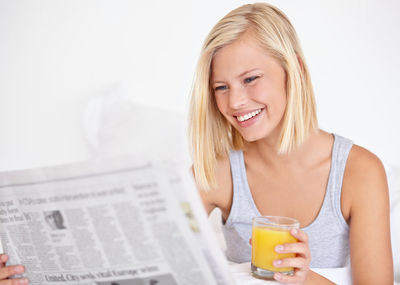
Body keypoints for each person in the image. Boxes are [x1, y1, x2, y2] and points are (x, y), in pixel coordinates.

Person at [188, 3, 393, 285]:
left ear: (293, 69)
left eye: (250, 79)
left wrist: (305, 278)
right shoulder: (216, 172)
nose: (234, 102)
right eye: (221, 87)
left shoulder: (359, 173)